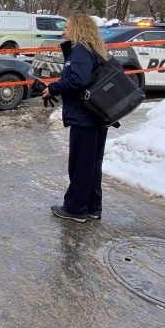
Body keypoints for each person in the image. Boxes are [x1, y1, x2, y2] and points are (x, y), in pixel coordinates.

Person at [42, 13, 109, 224]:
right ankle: (92, 207)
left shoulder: (80, 50)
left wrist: (53, 87)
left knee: (80, 164)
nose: (63, 30)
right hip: (97, 115)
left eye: (67, 26)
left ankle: (76, 208)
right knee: (91, 165)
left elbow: (79, 79)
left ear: (78, 28)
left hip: (85, 117)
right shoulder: (93, 50)